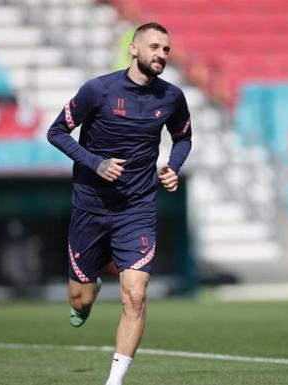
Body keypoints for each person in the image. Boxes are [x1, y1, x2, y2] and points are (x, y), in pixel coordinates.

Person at [46, 22, 192, 385]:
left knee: (136, 295)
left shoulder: (172, 97)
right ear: (134, 48)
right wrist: (95, 162)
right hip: (91, 207)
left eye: (166, 50)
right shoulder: (98, 90)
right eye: (155, 47)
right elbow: (56, 132)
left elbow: (184, 138)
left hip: (137, 209)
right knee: (79, 300)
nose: (161, 54)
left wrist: (173, 167)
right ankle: (88, 288)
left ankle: (114, 381)